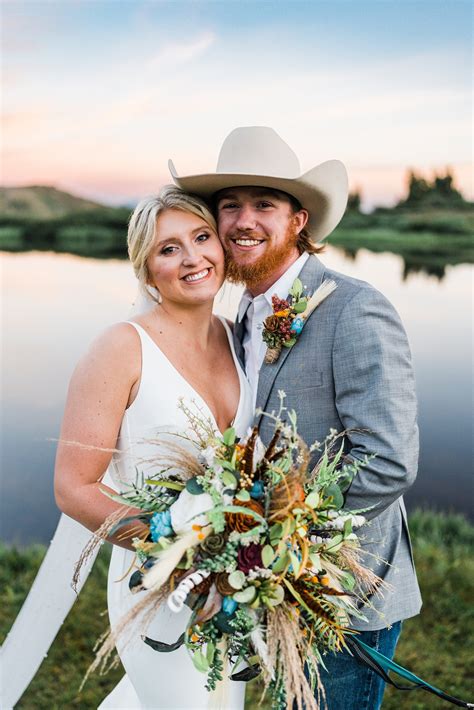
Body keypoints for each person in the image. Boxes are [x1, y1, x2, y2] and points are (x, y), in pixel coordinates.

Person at [169, 126, 422, 710]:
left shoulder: (355, 308)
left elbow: (386, 462)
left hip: (346, 595)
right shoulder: (244, 314)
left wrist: (270, 541)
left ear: (299, 220)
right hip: (275, 585)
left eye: (264, 204)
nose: (243, 221)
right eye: (229, 205)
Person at [53, 186, 252, 709]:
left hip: (234, 584)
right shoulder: (120, 347)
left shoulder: (240, 340)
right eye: (169, 248)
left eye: (202, 237)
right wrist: (176, 551)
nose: (193, 258)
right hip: (155, 585)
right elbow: (74, 488)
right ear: (145, 270)